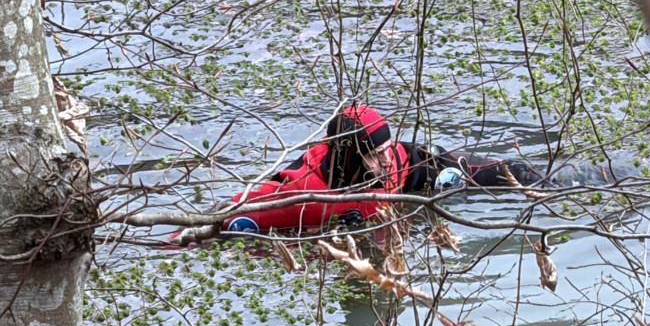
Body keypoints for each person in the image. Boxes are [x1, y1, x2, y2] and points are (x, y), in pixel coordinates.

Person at [220, 105, 542, 233]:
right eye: (375, 155)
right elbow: (226, 217)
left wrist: (509, 175)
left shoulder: (400, 160)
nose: (388, 160)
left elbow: (417, 160)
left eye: (388, 148)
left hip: (410, 193)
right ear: (351, 158)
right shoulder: (304, 194)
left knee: (517, 173)